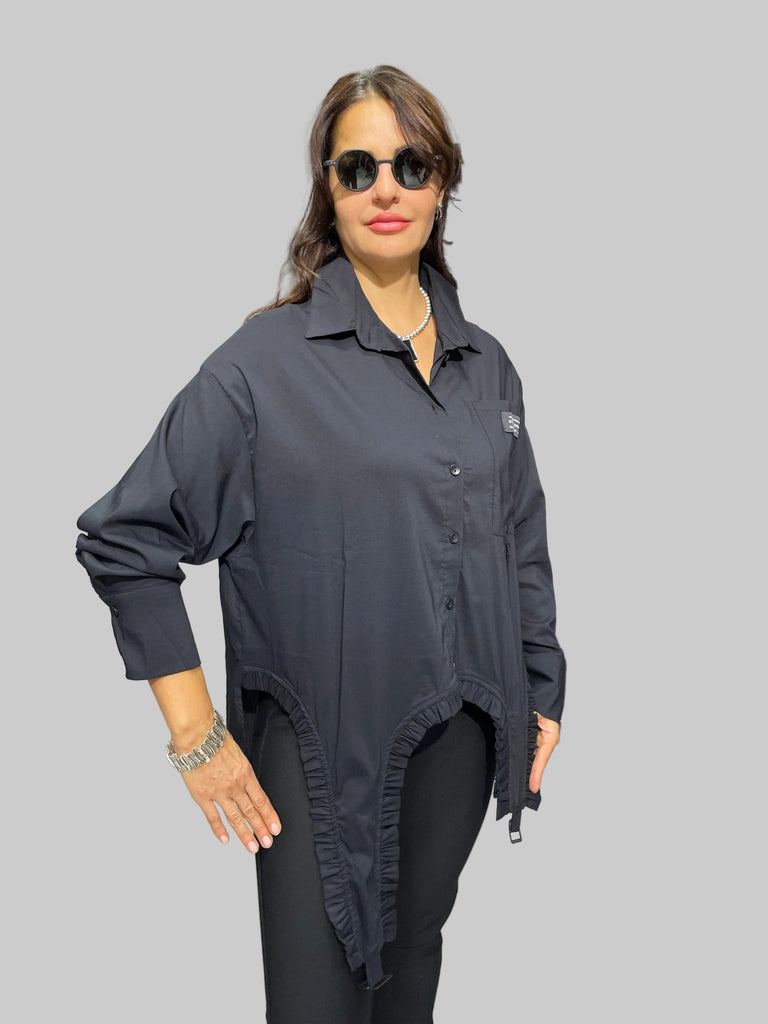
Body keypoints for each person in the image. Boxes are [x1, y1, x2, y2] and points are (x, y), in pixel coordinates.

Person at [75, 65, 566, 1022]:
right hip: (316, 743)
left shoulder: (489, 366)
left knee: (408, 987)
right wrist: (196, 737)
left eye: (411, 165)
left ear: (442, 183)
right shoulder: (262, 367)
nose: (387, 188)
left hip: (462, 738)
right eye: (358, 167)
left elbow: (521, 537)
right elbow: (125, 538)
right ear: (328, 188)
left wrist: (541, 689)